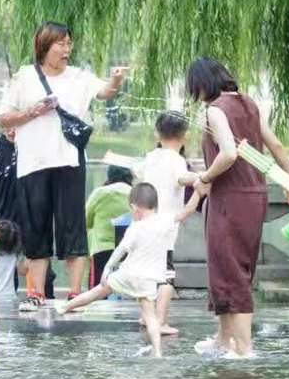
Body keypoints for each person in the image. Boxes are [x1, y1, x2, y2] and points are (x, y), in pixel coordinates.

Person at [0, 21, 128, 311]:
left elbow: (105, 92)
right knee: (35, 229)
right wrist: (34, 111)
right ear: (45, 45)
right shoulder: (24, 77)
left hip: (69, 160)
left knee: (73, 228)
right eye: (62, 43)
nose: (67, 49)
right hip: (32, 163)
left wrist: (116, 80)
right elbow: (4, 118)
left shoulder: (79, 77)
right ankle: (36, 294)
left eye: (70, 43)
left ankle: (75, 294)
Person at [187, 57, 289, 358]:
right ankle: (223, 339)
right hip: (254, 195)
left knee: (230, 269)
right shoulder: (248, 103)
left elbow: (229, 154)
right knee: (229, 267)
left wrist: (204, 178)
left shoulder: (215, 110)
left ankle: (245, 348)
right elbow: (277, 145)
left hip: (229, 198)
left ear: (201, 84)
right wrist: (288, 181)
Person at [59, 183, 200, 358]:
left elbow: (120, 250)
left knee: (98, 292)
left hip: (128, 274)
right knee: (150, 316)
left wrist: (107, 268)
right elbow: (187, 211)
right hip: (148, 279)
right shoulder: (165, 220)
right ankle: (157, 351)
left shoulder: (136, 227)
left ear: (134, 208)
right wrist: (199, 191)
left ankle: (67, 306)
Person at [134, 111, 199, 335]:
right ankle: (160, 321)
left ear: (156, 133)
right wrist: (201, 178)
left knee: (145, 272)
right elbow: (182, 178)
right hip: (165, 228)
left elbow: (138, 173)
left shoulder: (151, 157)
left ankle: (146, 317)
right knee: (165, 277)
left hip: (144, 224)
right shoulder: (177, 160)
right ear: (186, 135)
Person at [0, 127, 55, 298]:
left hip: (34, 218)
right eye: (8, 126)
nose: (12, 131)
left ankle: (45, 306)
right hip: (3, 222)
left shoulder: (38, 145)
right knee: (3, 273)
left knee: (43, 272)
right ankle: (5, 311)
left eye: (18, 127)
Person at [86, 165, 133, 289]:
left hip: (102, 248)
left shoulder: (100, 192)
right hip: (128, 250)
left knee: (98, 288)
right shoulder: (134, 193)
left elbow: (86, 220)